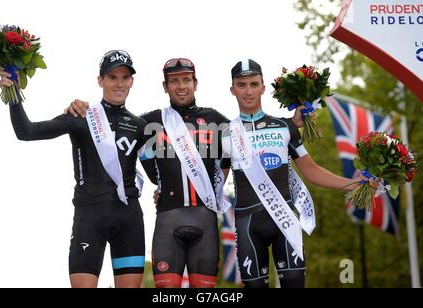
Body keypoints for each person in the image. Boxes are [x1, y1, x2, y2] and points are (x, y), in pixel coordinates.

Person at [66, 58, 306, 288]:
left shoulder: (216, 120)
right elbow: (115, 130)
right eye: (174, 81)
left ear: (195, 83)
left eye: (186, 80)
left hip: (206, 222)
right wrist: (81, 109)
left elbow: (253, 133)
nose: (181, 86)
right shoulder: (151, 122)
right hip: (167, 222)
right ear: (165, 86)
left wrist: (291, 124)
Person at [222, 59, 377, 288]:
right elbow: (214, 183)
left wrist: (354, 184)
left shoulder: (285, 127)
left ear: (263, 87)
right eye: (242, 85)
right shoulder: (225, 134)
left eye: (254, 84)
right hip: (247, 225)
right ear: (232, 89)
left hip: (285, 221)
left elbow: (310, 170)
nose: (248, 91)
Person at [0, 50, 146, 288]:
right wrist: (13, 91)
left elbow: (159, 168)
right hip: (89, 217)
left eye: (125, 77)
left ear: (131, 81)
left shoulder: (141, 126)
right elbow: (26, 132)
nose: (119, 83)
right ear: (100, 80)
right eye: (112, 77)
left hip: (128, 220)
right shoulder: (81, 115)